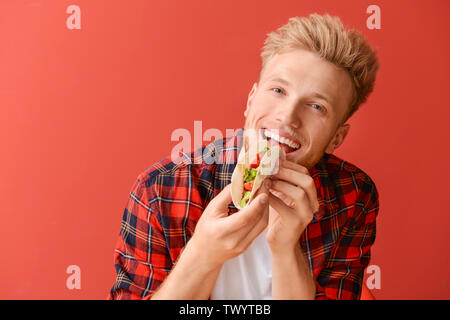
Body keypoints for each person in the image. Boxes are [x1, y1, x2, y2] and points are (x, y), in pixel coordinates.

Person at [108, 13, 380, 300]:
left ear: (337, 138)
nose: (287, 117)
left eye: (316, 106)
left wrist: (286, 248)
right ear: (251, 101)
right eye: (278, 90)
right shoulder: (161, 189)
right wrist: (203, 253)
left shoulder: (354, 195)